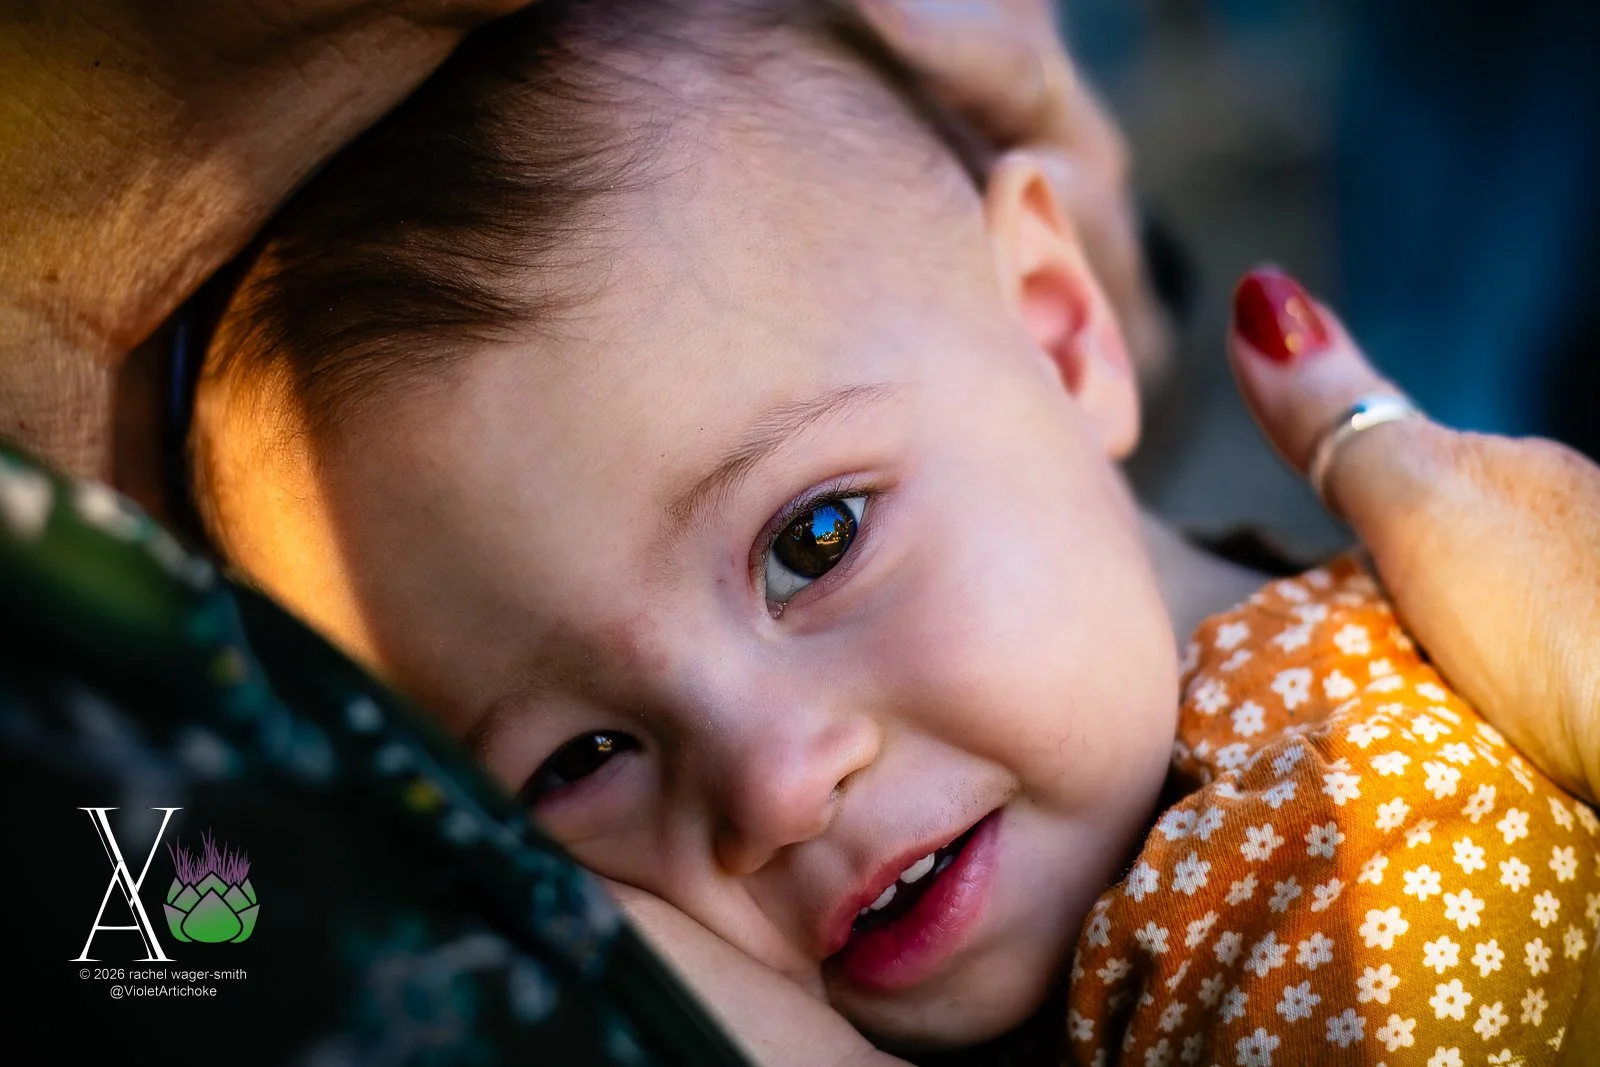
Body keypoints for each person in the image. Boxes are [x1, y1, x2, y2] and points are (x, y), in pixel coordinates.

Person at [1, 2, 1598, 1065]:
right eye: (575, 760)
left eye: (815, 540)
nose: (771, 785)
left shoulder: (1347, 853)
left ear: (1058, 328)